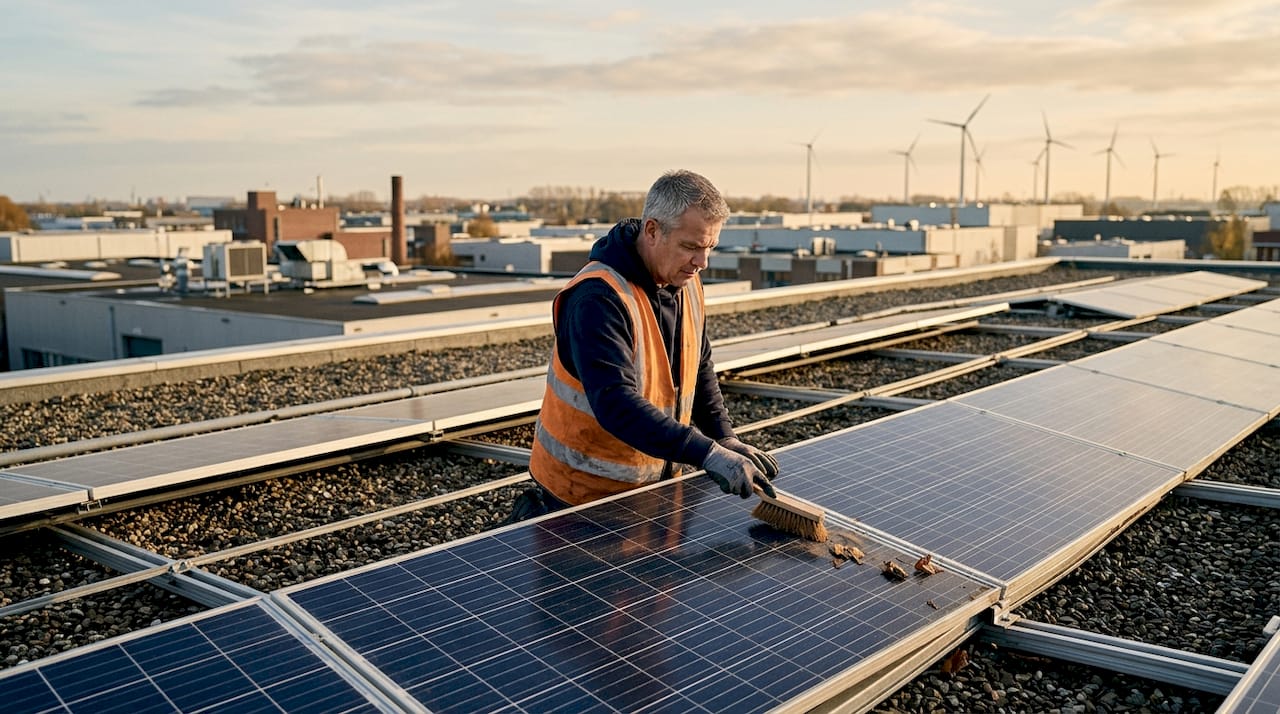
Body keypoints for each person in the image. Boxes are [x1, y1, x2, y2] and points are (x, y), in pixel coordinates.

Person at [509, 169, 779, 522]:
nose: (703, 262)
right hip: (582, 499)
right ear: (652, 230)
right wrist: (705, 453)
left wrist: (723, 437)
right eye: (691, 247)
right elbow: (615, 402)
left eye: (710, 247)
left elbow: (699, 366)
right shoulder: (598, 298)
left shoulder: (686, 282)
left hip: (650, 492)